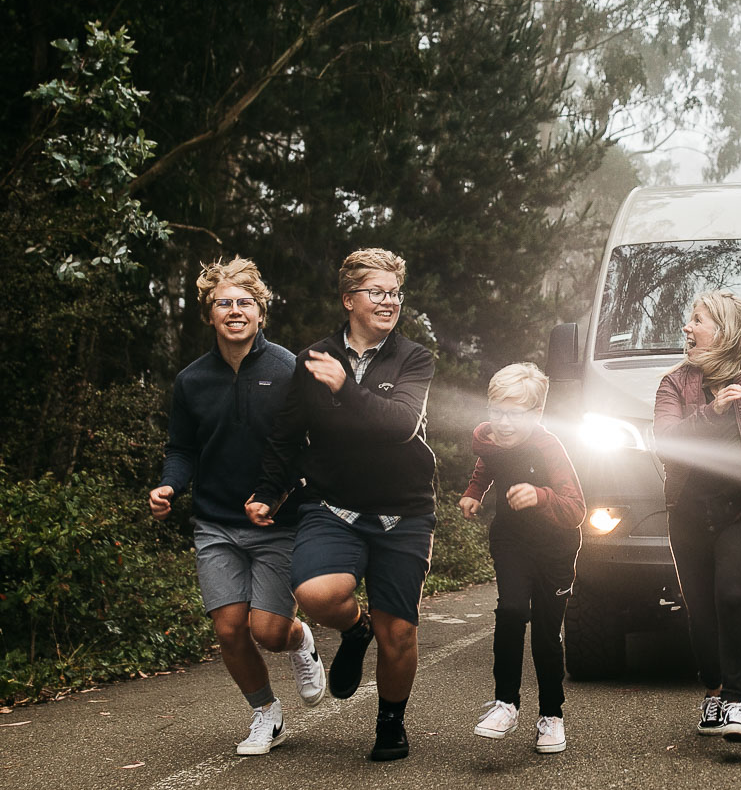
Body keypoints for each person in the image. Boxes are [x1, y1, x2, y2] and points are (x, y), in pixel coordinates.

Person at [247, 248, 437, 763]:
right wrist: (268, 492)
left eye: (395, 292)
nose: (389, 301)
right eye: (377, 292)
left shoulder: (414, 358)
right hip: (334, 506)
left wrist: (347, 388)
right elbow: (286, 435)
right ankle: (355, 630)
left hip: (404, 511)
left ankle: (391, 721)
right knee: (314, 592)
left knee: (398, 630)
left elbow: (399, 425)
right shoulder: (316, 358)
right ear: (349, 298)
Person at [148, 258, 327, 756]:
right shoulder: (191, 381)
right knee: (229, 629)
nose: (234, 311)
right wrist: (169, 488)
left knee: (266, 631)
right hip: (215, 523)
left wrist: (280, 495)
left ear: (260, 313)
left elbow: (309, 447)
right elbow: (182, 448)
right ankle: (266, 713)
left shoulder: (290, 369)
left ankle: (300, 641)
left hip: (279, 524)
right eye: (223, 303)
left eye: (244, 303)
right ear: (209, 315)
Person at [653, 290, 741, 744]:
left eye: (697, 320)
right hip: (689, 514)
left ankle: (735, 701)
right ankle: (711, 689)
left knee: (731, 596)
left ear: (724, 333)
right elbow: (667, 441)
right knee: (700, 611)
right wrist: (714, 412)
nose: (687, 328)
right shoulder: (674, 384)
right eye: (690, 320)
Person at [459, 364, 585, 754]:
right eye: (496, 411)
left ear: (537, 415)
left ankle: (551, 715)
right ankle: (506, 704)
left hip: (555, 550)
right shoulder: (489, 438)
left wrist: (540, 495)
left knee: (547, 636)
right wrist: (474, 492)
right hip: (512, 540)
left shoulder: (549, 448)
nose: (503, 423)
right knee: (512, 611)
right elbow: (487, 464)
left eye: (515, 415)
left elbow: (577, 508)